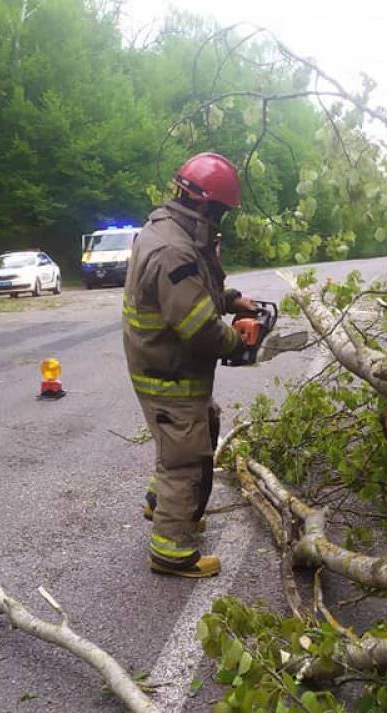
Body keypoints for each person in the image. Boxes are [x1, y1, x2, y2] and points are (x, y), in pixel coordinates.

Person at [122, 152, 258, 578]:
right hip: (168, 369)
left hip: (168, 362)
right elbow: (197, 324)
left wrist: (230, 298)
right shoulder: (171, 249)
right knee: (184, 458)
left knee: (203, 425)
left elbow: (195, 290)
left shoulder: (175, 232)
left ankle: (162, 505)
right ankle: (172, 551)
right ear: (205, 204)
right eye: (219, 210)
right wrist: (236, 340)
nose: (220, 218)